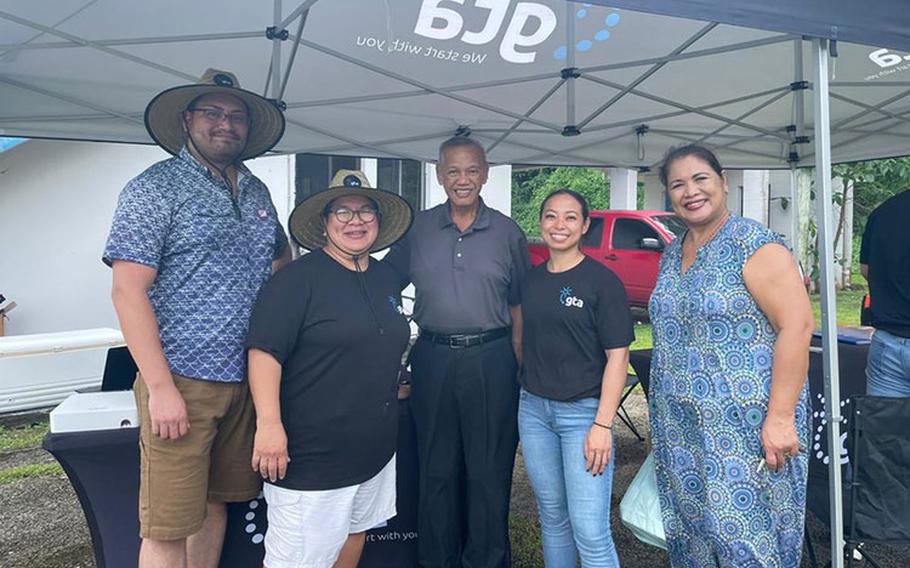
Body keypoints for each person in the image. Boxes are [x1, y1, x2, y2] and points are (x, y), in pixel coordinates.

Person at [103, 68, 290, 568]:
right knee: (167, 524)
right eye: (212, 112)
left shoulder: (256, 191)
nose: (225, 123)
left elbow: (281, 266)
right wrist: (161, 388)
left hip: (246, 380)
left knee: (214, 504)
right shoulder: (154, 189)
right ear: (188, 120)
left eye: (235, 115)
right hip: (182, 380)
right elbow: (126, 290)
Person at [648, 144, 814, 567]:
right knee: (694, 534)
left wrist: (779, 418)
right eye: (678, 184)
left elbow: (796, 327)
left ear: (723, 182)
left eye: (700, 179)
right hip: (683, 428)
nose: (691, 191)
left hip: (747, 427)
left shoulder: (754, 245)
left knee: (747, 538)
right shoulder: (673, 251)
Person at [246, 170, 413, 568]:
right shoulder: (296, 281)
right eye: (342, 211)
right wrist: (269, 424)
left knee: (353, 537)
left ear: (378, 220)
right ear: (324, 223)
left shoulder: (385, 278)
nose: (355, 220)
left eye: (365, 211)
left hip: (373, 449)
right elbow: (263, 352)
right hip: (313, 455)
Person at [383, 136, 530, 568]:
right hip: (433, 357)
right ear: (438, 175)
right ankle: (437, 561)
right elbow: (383, 287)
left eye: (471, 171)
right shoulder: (419, 229)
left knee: (489, 471)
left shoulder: (508, 232)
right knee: (436, 470)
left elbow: (521, 306)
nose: (462, 180)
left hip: (493, 359)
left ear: (484, 174)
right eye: (453, 171)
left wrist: (519, 368)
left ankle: (487, 561)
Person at [519, 189, 634, 567]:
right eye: (551, 216)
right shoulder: (531, 281)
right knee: (553, 519)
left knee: (590, 530)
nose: (559, 225)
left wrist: (602, 423)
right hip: (534, 412)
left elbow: (618, 357)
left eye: (570, 217)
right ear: (541, 223)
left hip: (583, 415)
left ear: (585, 225)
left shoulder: (602, 282)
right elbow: (521, 340)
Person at [859, 188, 910, 396]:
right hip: (888, 343)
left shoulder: (884, 211)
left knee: (884, 427)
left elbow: (866, 269)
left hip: (888, 344)